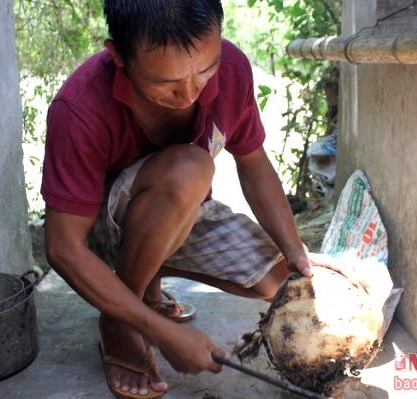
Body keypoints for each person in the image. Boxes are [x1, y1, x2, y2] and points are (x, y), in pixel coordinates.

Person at [41, 1, 317, 398]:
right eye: (163, 82)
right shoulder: (79, 107)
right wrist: (161, 333)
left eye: (206, 70)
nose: (188, 94)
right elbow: (64, 248)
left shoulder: (234, 69)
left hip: (176, 211)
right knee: (192, 167)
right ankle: (119, 321)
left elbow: (253, 163)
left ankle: (148, 283)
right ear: (118, 56)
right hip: (98, 236)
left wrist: (295, 249)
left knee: (281, 284)